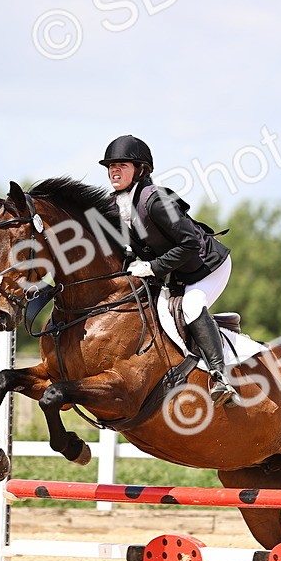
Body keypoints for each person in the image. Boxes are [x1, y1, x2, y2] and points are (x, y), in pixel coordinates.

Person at [100, 134, 236, 407]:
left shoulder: (157, 200)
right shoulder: (117, 204)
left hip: (208, 266)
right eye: (110, 166)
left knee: (192, 305)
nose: (114, 170)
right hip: (178, 272)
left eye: (122, 165)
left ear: (140, 170)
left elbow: (191, 243)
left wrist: (152, 267)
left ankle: (222, 377)